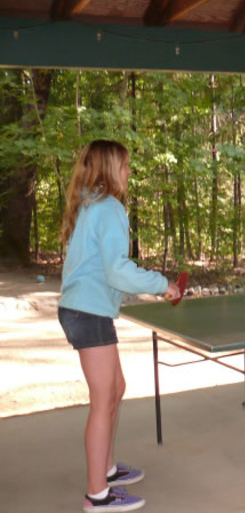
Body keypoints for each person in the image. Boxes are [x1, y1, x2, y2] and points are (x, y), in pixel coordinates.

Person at [58, 139, 181, 512]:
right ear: (111, 169)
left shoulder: (91, 204)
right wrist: (163, 285)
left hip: (85, 310)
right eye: (125, 165)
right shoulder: (109, 207)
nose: (129, 172)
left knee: (116, 388)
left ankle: (107, 470)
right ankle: (98, 495)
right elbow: (116, 269)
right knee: (102, 401)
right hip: (87, 313)